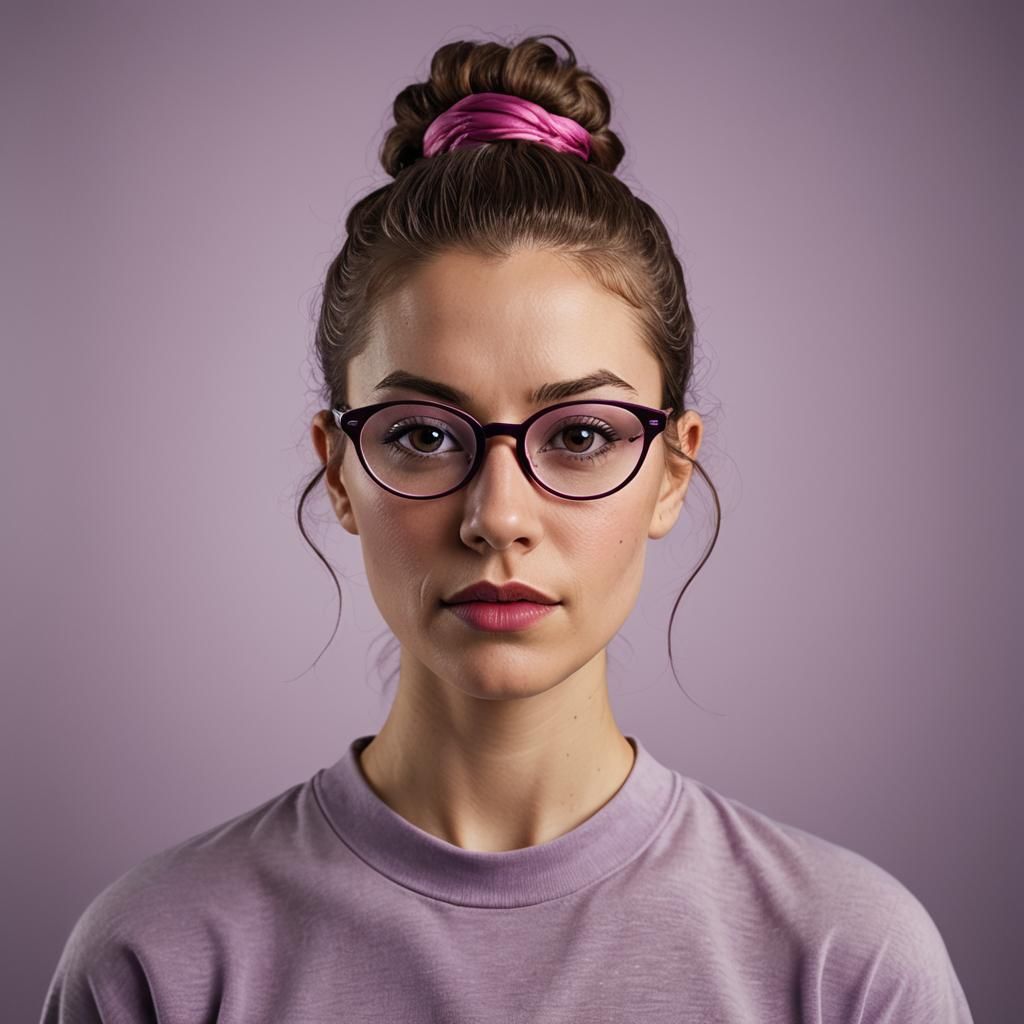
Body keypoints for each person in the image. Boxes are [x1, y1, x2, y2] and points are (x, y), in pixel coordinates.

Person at [40, 33, 974, 1023]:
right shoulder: (162, 958)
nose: (497, 517)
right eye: (420, 435)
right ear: (338, 470)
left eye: (577, 433)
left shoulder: (846, 962)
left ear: (672, 468)